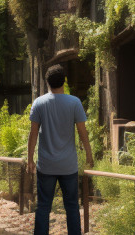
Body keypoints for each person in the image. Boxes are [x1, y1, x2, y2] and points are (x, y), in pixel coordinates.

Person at [27, 64, 94, 235]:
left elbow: (33, 134)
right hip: (68, 165)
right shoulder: (74, 102)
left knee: (43, 207)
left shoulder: (39, 103)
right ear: (64, 81)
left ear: (47, 82)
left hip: (46, 165)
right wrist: (89, 155)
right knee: (72, 207)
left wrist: (30, 159)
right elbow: (83, 132)